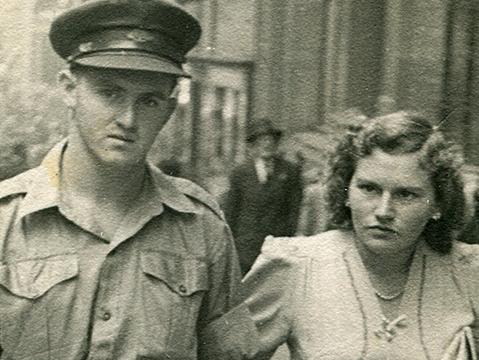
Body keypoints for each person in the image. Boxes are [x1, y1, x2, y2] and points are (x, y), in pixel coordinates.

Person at [0, 1, 242, 359]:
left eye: (149, 101)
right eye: (109, 93)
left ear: (170, 109)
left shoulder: (201, 227)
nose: (127, 119)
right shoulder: (7, 220)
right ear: (69, 89)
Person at [201, 111, 479, 359]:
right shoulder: (297, 267)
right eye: (369, 188)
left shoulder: (467, 273)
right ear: (346, 190)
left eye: (406, 194)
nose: (384, 211)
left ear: (439, 204)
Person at [223, 118, 303, 275]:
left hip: (278, 246)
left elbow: (294, 209)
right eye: (262, 140)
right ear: (252, 146)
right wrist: (230, 245)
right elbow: (231, 211)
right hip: (246, 247)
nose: (267, 144)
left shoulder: (289, 171)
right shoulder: (240, 173)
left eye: (271, 140)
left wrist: (288, 238)